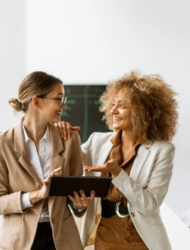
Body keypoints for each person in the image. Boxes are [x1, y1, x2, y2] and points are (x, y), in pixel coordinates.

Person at [55, 70, 178, 250]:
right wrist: (61, 135)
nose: (113, 110)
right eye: (113, 104)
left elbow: (149, 205)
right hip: (105, 235)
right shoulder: (97, 141)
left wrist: (118, 174)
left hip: (142, 240)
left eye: (122, 105)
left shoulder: (162, 150)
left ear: (142, 110)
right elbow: (67, 162)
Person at [0, 71, 94, 250]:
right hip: (18, 241)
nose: (64, 105)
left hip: (61, 239)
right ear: (36, 101)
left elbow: (73, 193)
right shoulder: (3, 142)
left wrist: (80, 205)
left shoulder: (69, 139)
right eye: (58, 99)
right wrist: (37, 194)